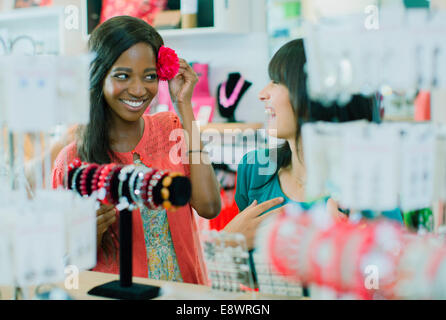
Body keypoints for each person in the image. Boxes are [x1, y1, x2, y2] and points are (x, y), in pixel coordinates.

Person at [52, 16, 221, 285]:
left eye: (150, 76)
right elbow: (67, 269)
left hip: (186, 297)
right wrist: (89, 234)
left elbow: (210, 207)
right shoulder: (72, 161)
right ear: (98, 75)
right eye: (122, 75)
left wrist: (184, 107)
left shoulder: (171, 127)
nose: (139, 89)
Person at [223, 39, 403, 280]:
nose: (262, 93)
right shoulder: (254, 169)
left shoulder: (364, 188)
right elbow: (238, 278)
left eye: (276, 81)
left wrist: (342, 239)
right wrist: (227, 242)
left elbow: (390, 280)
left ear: (313, 94)